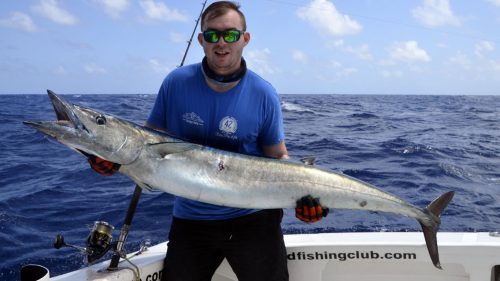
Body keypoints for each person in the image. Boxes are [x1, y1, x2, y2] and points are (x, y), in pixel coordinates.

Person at [87, 2, 328, 280]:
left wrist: (306, 195)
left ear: (245, 39)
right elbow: (146, 140)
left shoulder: (264, 93)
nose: (221, 42)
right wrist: (112, 160)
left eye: (231, 34)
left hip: (254, 219)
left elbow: (278, 157)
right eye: (212, 35)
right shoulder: (175, 83)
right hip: (192, 219)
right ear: (201, 40)